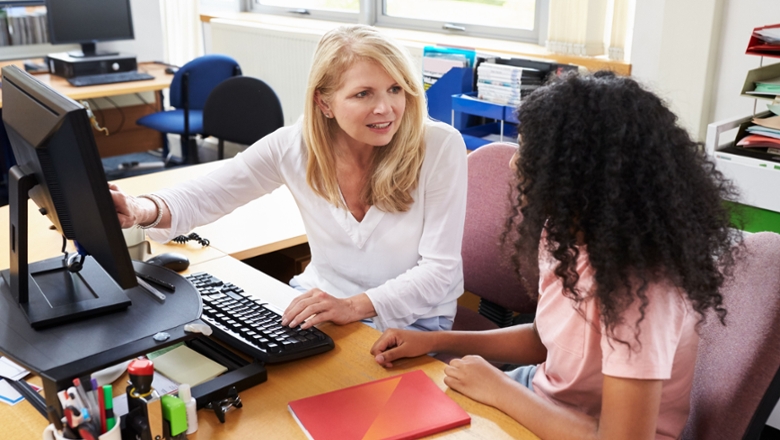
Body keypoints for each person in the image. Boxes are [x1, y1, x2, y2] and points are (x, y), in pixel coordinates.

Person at [370, 71, 742, 439]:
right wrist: (437, 341)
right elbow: (543, 339)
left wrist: (500, 389)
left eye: (531, 154)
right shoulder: (565, 233)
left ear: (582, 171)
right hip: (541, 398)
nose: (515, 164)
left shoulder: (641, 290)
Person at [110, 24, 467, 332]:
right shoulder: (296, 145)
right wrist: (140, 210)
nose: (386, 108)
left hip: (413, 321)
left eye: (396, 89)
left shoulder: (439, 147)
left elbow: (439, 272)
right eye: (363, 94)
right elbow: (208, 194)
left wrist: (355, 306)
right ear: (324, 103)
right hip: (320, 303)